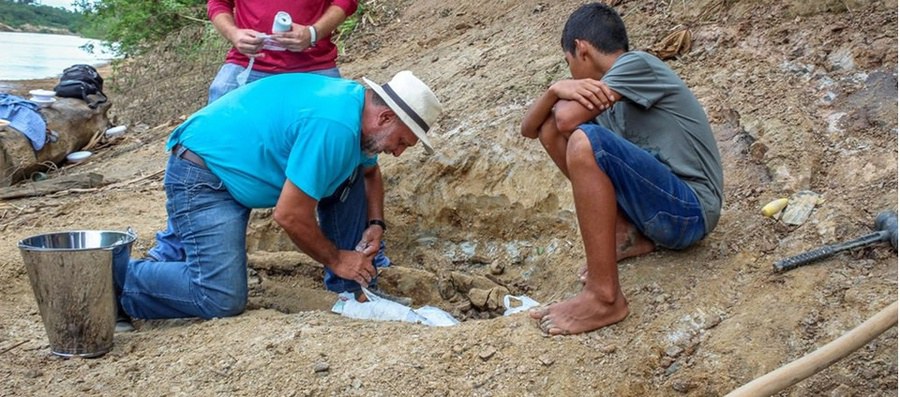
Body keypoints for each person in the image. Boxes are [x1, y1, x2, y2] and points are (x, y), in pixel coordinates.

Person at [114, 71, 443, 322]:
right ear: (385, 118)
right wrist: (338, 259)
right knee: (219, 297)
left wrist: (375, 224)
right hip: (205, 175)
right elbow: (289, 215)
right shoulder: (335, 126)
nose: (398, 153)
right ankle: (107, 279)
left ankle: (350, 293)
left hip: (233, 165)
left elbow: (369, 173)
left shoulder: (357, 115)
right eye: (402, 142)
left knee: (351, 174)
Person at [520, 3, 723, 335]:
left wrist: (562, 96)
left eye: (567, 63)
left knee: (585, 140)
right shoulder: (604, 98)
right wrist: (554, 89)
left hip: (691, 210)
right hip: (663, 213)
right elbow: (533, 129)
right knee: (552, 131)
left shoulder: (637, 64)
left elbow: (568, 119)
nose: (569, 73)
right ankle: (627, 234)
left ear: (581, 49)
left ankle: (604, 298)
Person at [206, 0, 358, 103]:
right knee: (220, 102)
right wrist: (233, 33)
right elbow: (217, 3)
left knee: (342, 118)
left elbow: (345, 2)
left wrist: (312, 33)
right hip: (248, 62)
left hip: (313, 63)